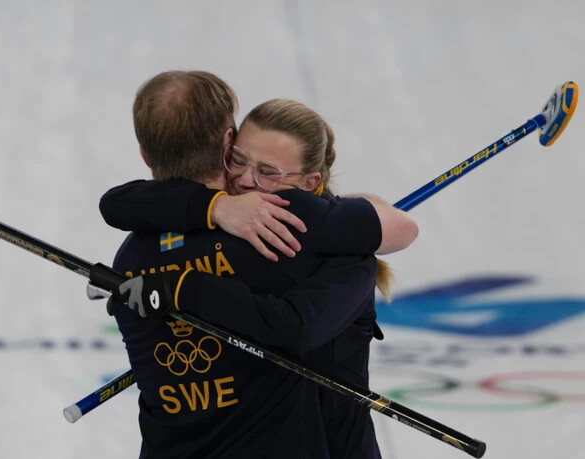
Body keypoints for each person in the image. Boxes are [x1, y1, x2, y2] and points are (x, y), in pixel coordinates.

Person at [102, 71, 417, 458]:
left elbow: (114, 203)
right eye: (241, 162)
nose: (250, 182)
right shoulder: (288, 219)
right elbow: (398, 228)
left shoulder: (131, 253)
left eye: (267, 172)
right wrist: (339, 213)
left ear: (144, 155)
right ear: (227, 142)